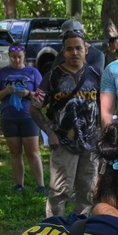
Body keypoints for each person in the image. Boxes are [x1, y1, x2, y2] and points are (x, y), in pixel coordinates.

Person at [33, 30, 102, 218]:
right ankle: (55, 231)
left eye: (78, 48)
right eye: (69, 49)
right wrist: (50, 133)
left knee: (88, 191)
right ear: (63, 52)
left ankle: (79, 229)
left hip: (90, 143)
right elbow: (34, 108)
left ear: (86, 50)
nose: (74, 53)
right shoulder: (52, 77)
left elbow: (104, 107)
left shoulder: (96, 75)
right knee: (59, 191)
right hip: (63, 142)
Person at [0, 44, 46, 194]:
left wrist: (28, 93)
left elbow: (42, 95)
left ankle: (41, 185)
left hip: (29, 117)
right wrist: (6, 91)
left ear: (24, 57)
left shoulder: (33, 72)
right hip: (9, 117)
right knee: (15, 153)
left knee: (32, 152)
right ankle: (19, 185)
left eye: (19, 57)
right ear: (9, 57)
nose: (16, 60)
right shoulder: (2, 73)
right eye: (13, 57)